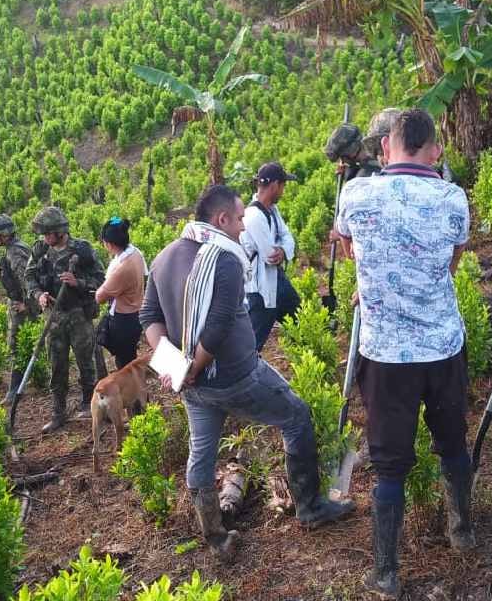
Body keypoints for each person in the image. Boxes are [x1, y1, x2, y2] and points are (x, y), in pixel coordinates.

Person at [140, 185, 353, 561]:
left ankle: (216, 537)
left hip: (193, 387)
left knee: (201, 454)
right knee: (296, 416)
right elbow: (219, 326)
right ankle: (310, 508)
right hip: (235, 376)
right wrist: (191, 367)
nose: (242, 227)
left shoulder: (163, 257)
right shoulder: (222, 259)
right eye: (239, 218)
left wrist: (175, 365)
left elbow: (150, 318)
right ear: (221, 220)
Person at [335, 108, 475, 601]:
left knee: (390, 465)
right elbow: (451, 263)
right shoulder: (453, 198)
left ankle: (387, 572)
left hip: (386, 354)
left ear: (387, 150)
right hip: (441, 346)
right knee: (453, 443)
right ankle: (462, 531)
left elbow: (353, 254)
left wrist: (375, 281)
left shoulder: (356, 194)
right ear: (434, 151)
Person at [26, 206, 105, 434]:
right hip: (54, 317)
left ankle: (90, 407)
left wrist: (77, 282)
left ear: (61, 231)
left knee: (86, 364)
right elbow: (29, 277)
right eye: (44, 233)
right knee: (57, 366)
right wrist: (38, 294)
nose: (46, 237)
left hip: (78, 314)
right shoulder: (40, 250)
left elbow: (100, 280)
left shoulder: (82, 250)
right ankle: (58, 412)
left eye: (49, 233)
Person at [240, 162, 301, 352]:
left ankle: (311, 364)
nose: (283, 191)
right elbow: (269, 256)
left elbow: (288, 238)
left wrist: (283, 251)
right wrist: (282, 250)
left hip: (277, 280)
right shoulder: (253, 216)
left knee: (301, 321)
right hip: (259, 288)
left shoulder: (273, 211)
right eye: (283, 185)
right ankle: (244, 377)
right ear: (275, 185)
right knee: (252, 344)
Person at [0, 214, 38, 400]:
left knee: (16, 344)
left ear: (4, 235)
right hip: (18, 302)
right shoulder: (9, 250)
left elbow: (27, 280)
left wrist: (28, 305)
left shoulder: (15, 252)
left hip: (23, 305)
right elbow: (13, 279)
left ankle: (16, 388)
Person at [94, 216, 147, 369]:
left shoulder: (122, 268)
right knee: (129, 357)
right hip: (135, 312)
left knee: (124, 363)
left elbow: (100, 297)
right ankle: (135, 387)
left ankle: (131, 390)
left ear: (109, 244)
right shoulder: (135, 253)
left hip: (123, 320)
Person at [325, 108, 401, 181]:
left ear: (348, 157)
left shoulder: (364, 176)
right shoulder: (378, 149)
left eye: (342, 159)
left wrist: (349, 176)